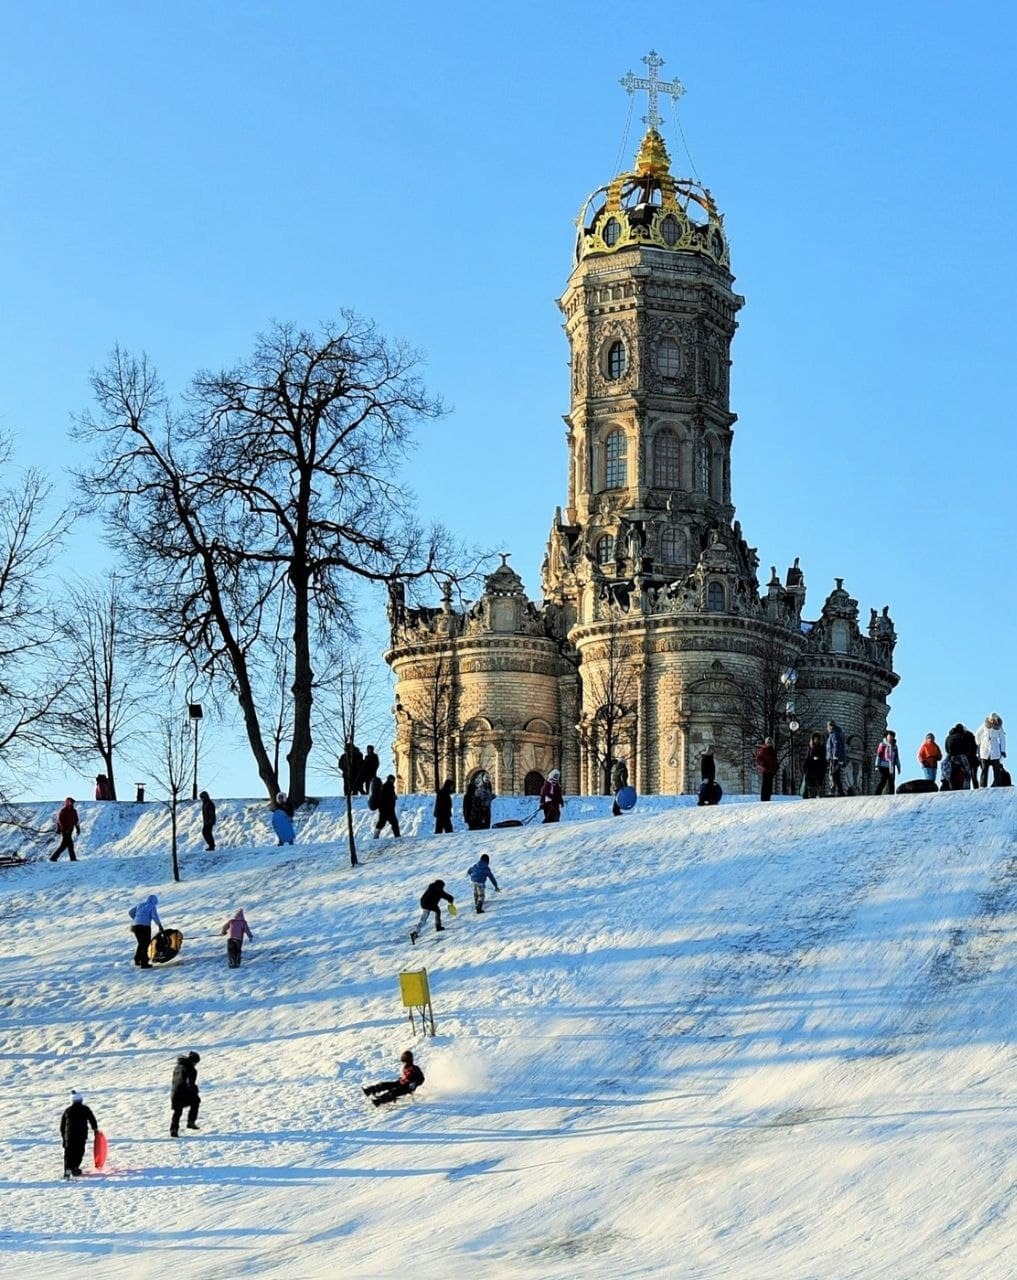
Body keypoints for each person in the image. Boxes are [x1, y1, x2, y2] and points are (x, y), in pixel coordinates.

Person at [60, 1090, 98, 1178]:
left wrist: (64, 1138)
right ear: (81, 1100)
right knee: (79, 1152)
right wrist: (95, 1129)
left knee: (68, 1154)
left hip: (69, 1136)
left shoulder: (68, 1110)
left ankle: (67, 1171)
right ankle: (75, 1168)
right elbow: (92, 1119)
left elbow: (62, 1126)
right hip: (81, 1136)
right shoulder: (85, 1109)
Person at [410, 879, 454, 944]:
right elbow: (444, 895)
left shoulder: (432, 887)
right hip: (429, 904)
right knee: (437, 911)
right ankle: (438, 926)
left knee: (423, 919)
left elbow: (443, 894)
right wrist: (450, 899)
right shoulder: (438, 890)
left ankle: (415, 933)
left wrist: (449, 898)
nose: (442, 888)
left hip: (424, 904)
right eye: (442, 887)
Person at [170, 1051, 201, 1136]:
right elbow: (190, 1083)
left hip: (175, 1092)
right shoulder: (191, 1069)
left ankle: (174, 1130)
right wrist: (195, 1091)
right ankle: (191, 1122)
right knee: (196, 1102)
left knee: (177, 1111)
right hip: (184, 1092)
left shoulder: (177, 1067)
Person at [128, 894, 163, 968]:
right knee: (146, 944)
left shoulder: (140, 905)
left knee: (141, 943)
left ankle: (137, 960)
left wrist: (137, 918)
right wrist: (159, 925)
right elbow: (154, 916)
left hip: (136, 927)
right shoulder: (152, 906)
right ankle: (144, 963)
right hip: (145, 927)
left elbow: (130, 912)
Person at [975, 713, 1007, 788]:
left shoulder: (999, 727)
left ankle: (998, 785)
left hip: (995, 750)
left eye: (994, 720)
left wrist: (1003, 750)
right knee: (984, 769)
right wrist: (979, 744)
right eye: (991, 719)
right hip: (984, 750)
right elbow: (977, 734)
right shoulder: (984, 725)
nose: (992, 721)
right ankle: (983, 786)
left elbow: (1002, 739)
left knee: (996, 770)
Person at [944, 723, 976, 790]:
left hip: (951, 757)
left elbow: (946, 748)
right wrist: (967, 754)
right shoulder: (963, 736)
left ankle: (952, 787)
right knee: (966, 773)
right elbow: (967, 747)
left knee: (952, 773)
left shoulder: (948, 737)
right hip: (962, 756)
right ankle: (966, 787)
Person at [49, 797, 81, 862]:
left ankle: (54, 858)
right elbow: (59, 821)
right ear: (67, 802)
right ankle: (71, 858)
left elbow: (76, 821)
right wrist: (63, 829)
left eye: (72, 802)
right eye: (70, 802)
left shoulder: (74, 811)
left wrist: (78, 829)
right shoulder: (63, 811)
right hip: (65, 831)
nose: (72, 803)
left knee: (66, 845)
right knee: (69, 845)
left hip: (70, 830)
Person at [874, 730, 901, 794]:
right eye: (889, 736)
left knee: (891, 781)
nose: (891, 738)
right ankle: (877, 793)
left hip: (891, 766)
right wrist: (877, 765)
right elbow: (879, 755)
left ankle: (891, 794)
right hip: (883, 765)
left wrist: (898, 767)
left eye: (892, 737)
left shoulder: (894, 746)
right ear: (886, 737)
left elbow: (896, 757)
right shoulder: (882, 744)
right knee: (883, 779)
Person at [802, 732, 827, 799]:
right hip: (811, 768)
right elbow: (807, 757)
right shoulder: (810, 747)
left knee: (819, 783)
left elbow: (824, 757)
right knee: (810, 784)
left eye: (817, 738)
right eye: (814, 738)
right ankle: (810, 797)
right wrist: (805, 767)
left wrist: (819, 759)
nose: (816, 740)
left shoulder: (821, 747)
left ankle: (820, 795)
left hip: (819, 768)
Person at [826, 720, 847, 797]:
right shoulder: (833, 734)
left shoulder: (835, 734)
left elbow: (836, 745)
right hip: (833, 758)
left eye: (828, 726)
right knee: (836, 775)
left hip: (834, 758)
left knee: (833, 774)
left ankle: (833, 790)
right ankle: (840, 791)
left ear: (831, 726)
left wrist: (835, 756)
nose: (827, 728)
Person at [755, 737, 778, 802]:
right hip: (765, 770)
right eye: (768, 742)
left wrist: (776, 767)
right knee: (765, 784)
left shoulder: (773, 751)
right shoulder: (763, 750)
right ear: (766, 743)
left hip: (771, 770)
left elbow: (774, 760)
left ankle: (768, 798)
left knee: (769, 785)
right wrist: (763, 765)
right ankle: (764, 798)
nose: (769, 743)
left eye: (770, 742)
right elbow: (759, 759)